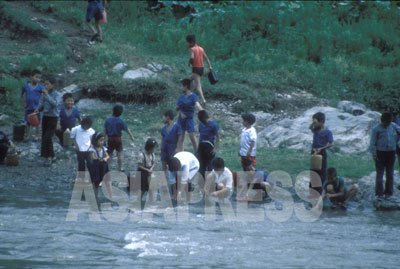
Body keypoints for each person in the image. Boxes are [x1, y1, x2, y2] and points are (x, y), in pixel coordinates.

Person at [370, 112, 400, 200]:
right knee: (380, 174)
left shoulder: (393, 126)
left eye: (389, 122)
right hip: (380, 153)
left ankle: (389, 193)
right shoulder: (376, 129)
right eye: (386, 123)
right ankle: (379, 194)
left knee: (390, 173)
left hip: (391, 152)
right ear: (382, 121)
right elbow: (372, 143)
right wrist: (374, 154)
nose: (387, 124)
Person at [104, 104, 134, 172]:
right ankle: (120, 168)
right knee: (119, 154)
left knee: (110, 154)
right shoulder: (121, 121)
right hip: (118, 139)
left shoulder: (108, 120)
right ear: (121, 113)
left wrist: (104, 138)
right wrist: (131, 137)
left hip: (110, 139)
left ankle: (108, 168)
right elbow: (127, 129)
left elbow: (105, 130)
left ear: (113, 111)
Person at [309, 112, 333, 194]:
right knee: (313, 171)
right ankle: (312, 190)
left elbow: (330, 143)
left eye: (316, 122)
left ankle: (321, 191)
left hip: (321, 153)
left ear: (322, 121)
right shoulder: (315, 130)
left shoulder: (327, 132)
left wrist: (321, 148)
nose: (314, 124)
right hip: (314, 152)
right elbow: (310, 127)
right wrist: (314, 122)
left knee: (322, 173)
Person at [176, 78, 203, 152]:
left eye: (182, 86)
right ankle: (181, 155)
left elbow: (197, 105)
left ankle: (197, 153)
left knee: (192, 136)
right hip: (181, 120)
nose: (181, 87)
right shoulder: (181, 97)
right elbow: (177, 108)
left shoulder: (193, 96)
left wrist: (203, 113)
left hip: (189, 119)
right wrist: (181, 112)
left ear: (186, 86)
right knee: (180, 138)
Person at [37, 76, 59, 165]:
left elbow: (55, 104)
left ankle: (51, 156)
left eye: (47, 84)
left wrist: (47, 95)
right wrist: (37, 109)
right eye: (45, 84)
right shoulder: (43, 94)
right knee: (44, 136)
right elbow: (41, 103)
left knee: (48, 136)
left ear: (52, 85)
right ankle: (47, 156)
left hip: (53, 117)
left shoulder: (57, 94)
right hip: (45, 116)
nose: (45, 86)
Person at [186, 34, 212, 105]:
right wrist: (210, 66)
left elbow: (192, 58)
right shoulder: (201, 48)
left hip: (196, 68)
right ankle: (189, 94)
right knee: (190, 79)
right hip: (201, 68)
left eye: (187, 42)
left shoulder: (192, 49)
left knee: (198, 85)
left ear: (191, 42)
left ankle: (203, 100)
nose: (187, 44)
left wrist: (189, 63)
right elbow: (206, 58)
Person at [20, 69, 44, 141]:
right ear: (31, 76)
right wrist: (23, 102)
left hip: (36, 108)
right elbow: (22, 94)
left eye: (39, 78)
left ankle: (37, 135)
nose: (38, 79)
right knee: (27, 122)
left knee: (37, 122)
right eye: (36, 77)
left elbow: (43, 97)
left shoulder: (40, 87)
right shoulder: (26, 86)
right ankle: (27, 135)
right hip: (28, 107)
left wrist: (40, 106)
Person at [161, 110, 183, 185]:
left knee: (173, 165)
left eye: (163, 117)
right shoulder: (164, 128)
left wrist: (178, 147)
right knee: (164, 163)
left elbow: (180, 137)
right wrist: (161, 148)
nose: (162, 118)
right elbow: (162, 139)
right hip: (165, 148)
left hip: (173, 148)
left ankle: (176, 182)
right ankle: (165, 181)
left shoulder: (177, 126)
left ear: (168, 117)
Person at [197, 110, 219, 179]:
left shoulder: (213, 125)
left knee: (210, 166)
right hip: (201, 146)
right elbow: (200, 135)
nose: (202, 122)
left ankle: (212, 182)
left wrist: (216, 148)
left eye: (203, 120)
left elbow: (217, 137)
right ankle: (202, 182)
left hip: (209, 147)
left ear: (206, 118)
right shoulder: (201, 124)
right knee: (201, 165)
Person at [88, 132, 111, 198]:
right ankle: (95, 195)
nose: (102, 142)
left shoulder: (103, 148)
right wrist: (98, 159)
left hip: (103, 166)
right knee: (96, 181)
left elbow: (107, 156)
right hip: (96, 167)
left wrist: (105, 158)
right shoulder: (93, 149)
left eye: (103, 140)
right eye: (100, 140)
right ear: (95, 141)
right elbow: (93, 157)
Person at [137, 138, 157, 203]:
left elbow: (153, 163)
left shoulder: (153, 155)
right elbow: (139, 166)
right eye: (153, 148)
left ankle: (151, 202)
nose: (154, 149)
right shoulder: (142, 155)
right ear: (149, 148)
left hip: (149, 172)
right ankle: (138, 201)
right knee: (143, 189)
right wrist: (147, 170)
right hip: (142, 172)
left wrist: (151, 168)